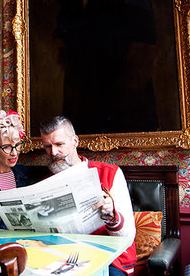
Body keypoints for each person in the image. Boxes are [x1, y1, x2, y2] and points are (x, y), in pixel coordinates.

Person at [55, 0, 158, 133]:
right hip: (84, 65)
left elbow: (141, 25)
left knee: (121, 117)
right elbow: (64, 20)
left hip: (117, 61)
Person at [40, 116, 136, 276]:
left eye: (59, 144)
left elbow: (127, 236)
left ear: (75, 141)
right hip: (63, 257)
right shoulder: (44, 183)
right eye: (47, 146)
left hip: (112, 259)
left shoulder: (109, 173)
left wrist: (112, 215)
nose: (54, 152)